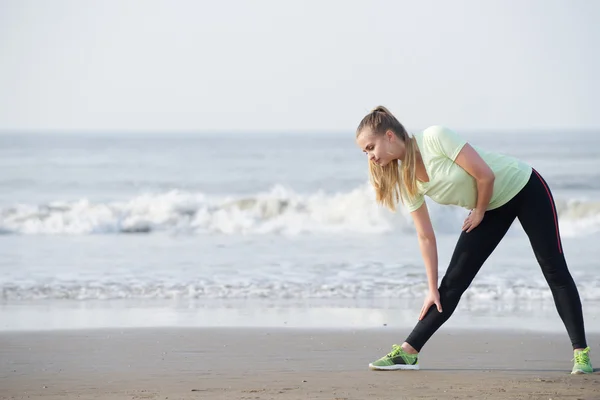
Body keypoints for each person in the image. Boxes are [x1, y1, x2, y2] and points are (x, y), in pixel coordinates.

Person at [355, 105, 593, 374]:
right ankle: (409, 353)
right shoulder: (404, 177)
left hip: (525, 188)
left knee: (553, 269)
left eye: (370, 147)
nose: (370, 157)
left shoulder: (435, 137)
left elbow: (485, 175)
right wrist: (431, 287)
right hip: (488, 206)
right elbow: (425, 236)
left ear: (389, 136)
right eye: (365, 152)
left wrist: (479, 211)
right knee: (452, 282)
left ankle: (581, 355)